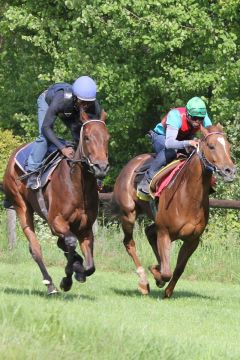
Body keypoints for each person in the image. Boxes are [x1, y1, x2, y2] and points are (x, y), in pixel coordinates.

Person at [27, 76, 102, 189]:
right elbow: (46, 127)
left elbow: (94, 134)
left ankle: (92, 172)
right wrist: (62, 148)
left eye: (89, 103)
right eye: (83, 102)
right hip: (48, 102)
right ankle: (32, 172)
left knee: (80, 136)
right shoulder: (61, 100)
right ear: (76, 97)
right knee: (44, 137)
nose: (86, 106)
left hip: (71, 109)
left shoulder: (94, 106)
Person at [138, 96, 212, 195]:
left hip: (182, 138)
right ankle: (147, 181)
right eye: (194, 118)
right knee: (171, 152)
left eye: (200, 119)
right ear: (187, 114)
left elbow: (211, 134)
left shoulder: (202, 115)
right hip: (162, 137)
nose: (197, 121)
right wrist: (189, 142)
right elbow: (169, 143)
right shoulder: (175, 116)